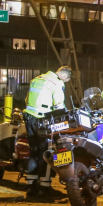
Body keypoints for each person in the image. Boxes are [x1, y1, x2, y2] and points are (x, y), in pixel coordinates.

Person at [23, 65, 72, 198]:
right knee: (47, 152)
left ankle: (31, 186)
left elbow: (27, 99)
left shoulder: (38, 78)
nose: (65, 83)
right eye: (67, 81)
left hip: (29, 117)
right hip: (43, 120)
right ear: (65, 76)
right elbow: (59, 105)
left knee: (34, 151)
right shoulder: (56, 82)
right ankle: (45, 187)